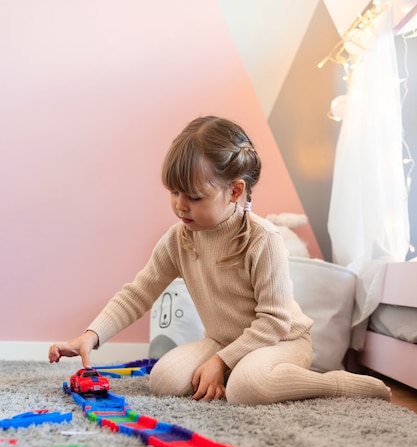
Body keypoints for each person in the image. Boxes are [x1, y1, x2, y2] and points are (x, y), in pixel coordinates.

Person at [49, 116, 391, 405]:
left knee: (247, 387)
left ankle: (334, 383)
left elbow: (274, 323)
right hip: (224, 339)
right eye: (174, 193)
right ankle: (233, 366)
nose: (181, 206)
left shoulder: (263, 239)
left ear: (235, 191)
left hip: (281, 341)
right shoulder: (178, 239)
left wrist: (219, 361)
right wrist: (91, 335)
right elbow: (138, 292)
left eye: (195, 197)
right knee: (164, 380)